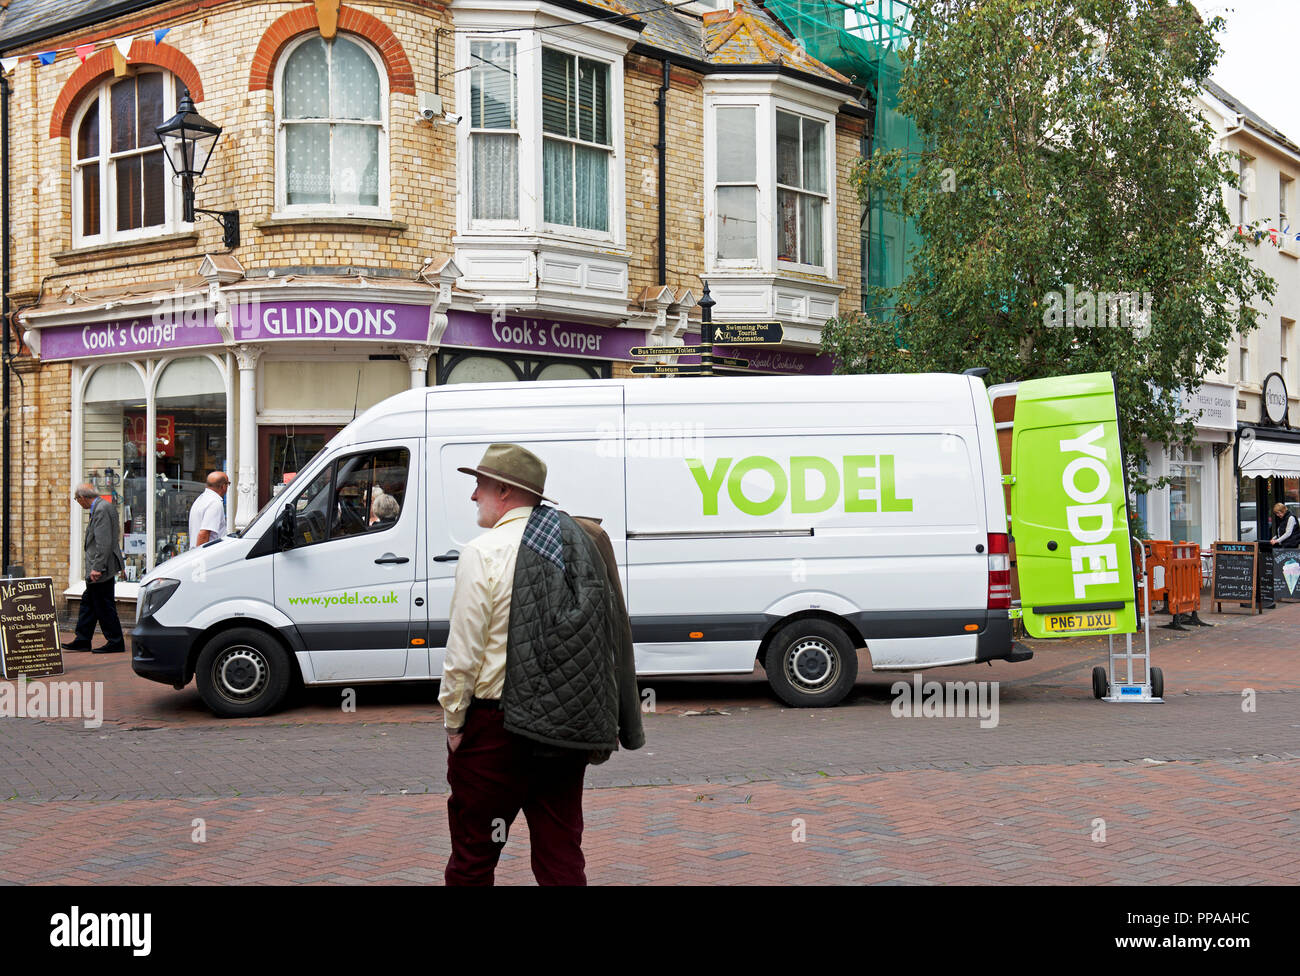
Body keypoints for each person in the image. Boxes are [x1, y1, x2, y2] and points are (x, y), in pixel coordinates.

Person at [439, 443, 643, 886]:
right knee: (560, 856)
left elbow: (464, 655)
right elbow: (615, 634)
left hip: (496, 729)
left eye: (479, 485)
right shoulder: (577, 545)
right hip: (561, 727)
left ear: (505, 492)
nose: (474, 496)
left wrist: (455, 723)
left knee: (473, 858)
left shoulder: (483, 552)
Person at [62, 484, 126, 654]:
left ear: (83, 497)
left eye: (77, 499)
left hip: (101, 567)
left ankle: (115, 641)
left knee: (103, 605)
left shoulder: (101, 509)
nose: (78, 503)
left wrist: (97, 568)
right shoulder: (102, 506)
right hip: (102, 564)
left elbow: (103, 542)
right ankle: (83, 639)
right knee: (88, 603)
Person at [188, 471, 229, 549]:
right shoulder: (214, 503)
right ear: (223, 486)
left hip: (197, 553)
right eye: (228, 484)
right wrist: (200, 556)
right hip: (208, 555)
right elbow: (204, 534)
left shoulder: (201, 499)